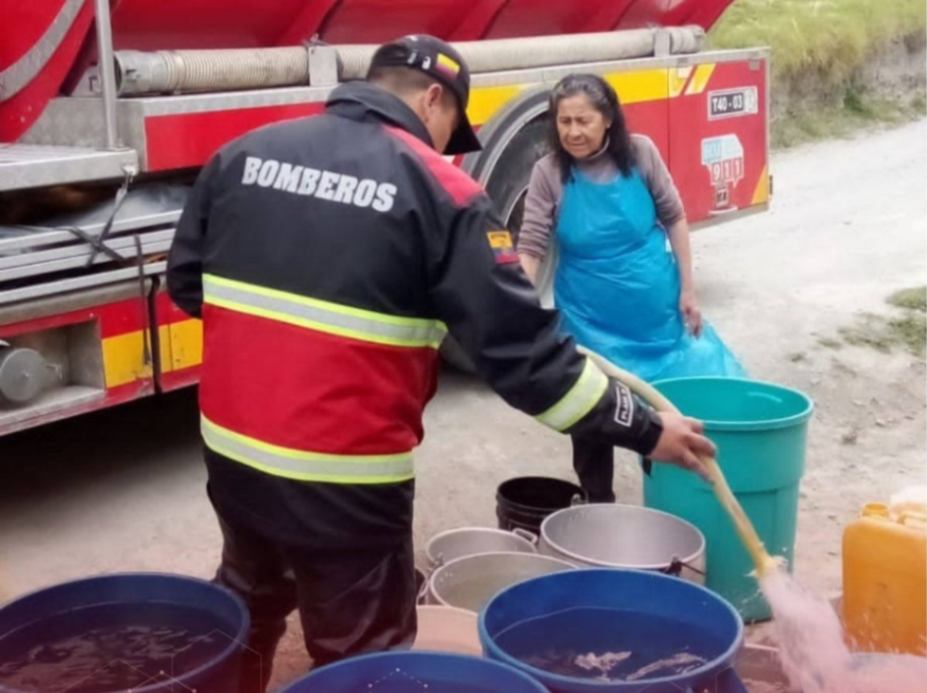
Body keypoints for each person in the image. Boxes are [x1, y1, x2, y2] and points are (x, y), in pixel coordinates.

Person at [167, 37, 715, 692]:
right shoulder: (441, 190)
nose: (448, 146)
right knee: (362, 653)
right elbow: (525, 360)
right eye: (450, 129)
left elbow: (187, 286)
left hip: (232, 453)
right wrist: (651, 431)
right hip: (346, 472)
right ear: (433, 99)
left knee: (248, 600)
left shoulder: (242, 155)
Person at [517, 73, 745, 503]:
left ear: (607, 120)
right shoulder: (548, 172)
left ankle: (672, 496)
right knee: (591, 413)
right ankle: (599, 505)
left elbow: (674, 216)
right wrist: (519, 307)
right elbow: (530, 244)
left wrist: (688, 291)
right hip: (586, 317)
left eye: (583, 120)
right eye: (564, 122)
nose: (573, 132)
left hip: (652, 309)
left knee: (670, 404)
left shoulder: (640, 153)